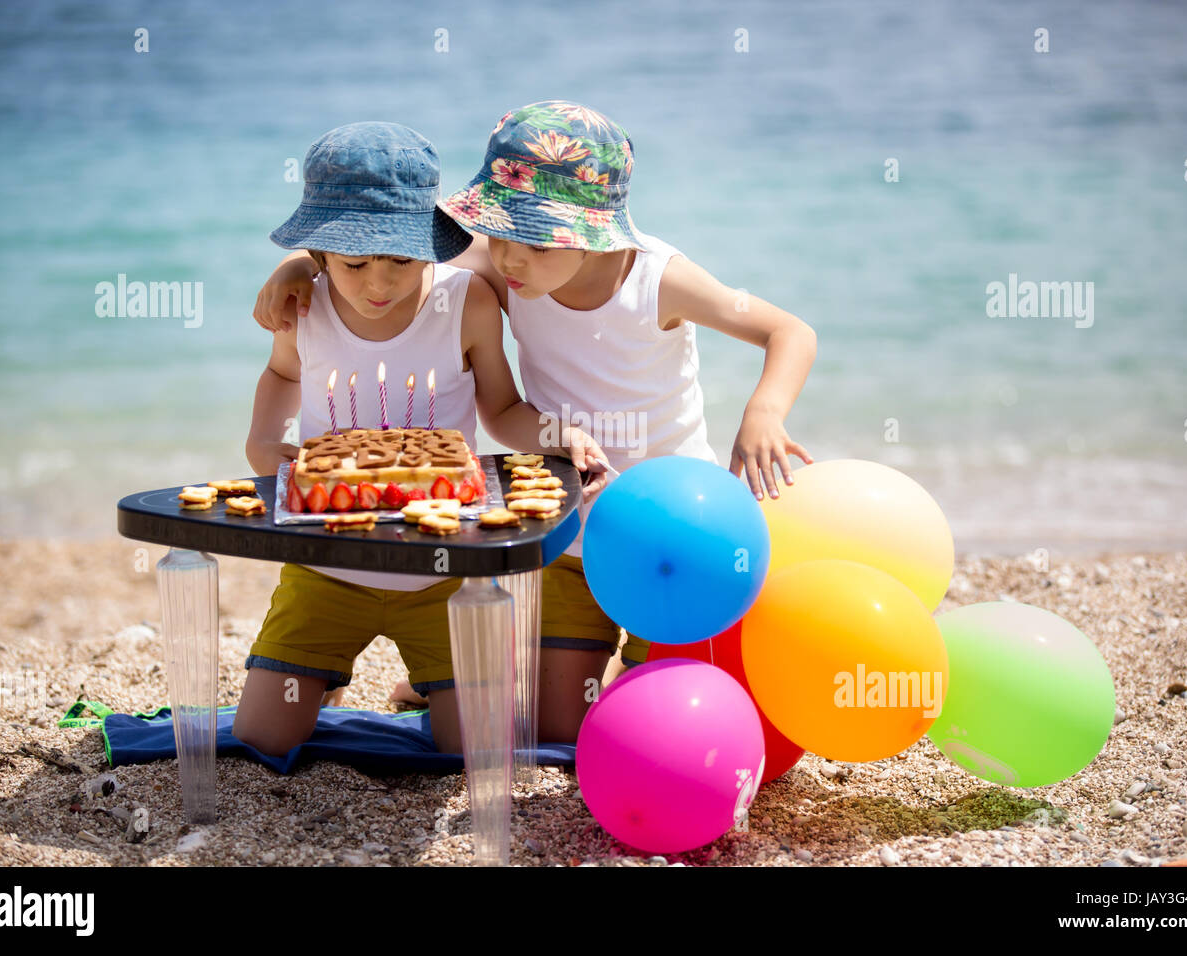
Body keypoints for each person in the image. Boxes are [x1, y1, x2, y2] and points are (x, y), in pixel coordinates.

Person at [251, 100, 816, 699]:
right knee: (556, 725)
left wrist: (764, 413)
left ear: (593, 237)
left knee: (668, 694)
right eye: (499, 235)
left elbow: (789, 332)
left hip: (673, 526)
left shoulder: (660, 280)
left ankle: (633, 670)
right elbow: (387, 245)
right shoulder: (510, 266)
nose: (512, 258)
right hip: (572, 527)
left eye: (538, 243)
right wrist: (293, 266)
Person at [235, 121, 605, 757]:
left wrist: (557, 434)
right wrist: (264, 444)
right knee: (263, 739)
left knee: (471, 749)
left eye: (402, 261)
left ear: (430, 247)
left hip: (443, 573)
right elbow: (280, 374)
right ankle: (318, 676)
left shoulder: (467, 303)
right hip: (327, 568)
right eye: (354, 264)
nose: (379, 285)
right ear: (320, 255)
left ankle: (426, 686)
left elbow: (504, 411)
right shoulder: (304, 306)